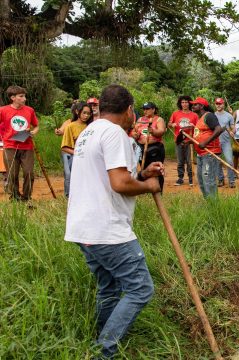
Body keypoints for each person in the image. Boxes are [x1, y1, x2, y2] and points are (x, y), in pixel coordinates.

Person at [65, 84, 163, 359]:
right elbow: (120, 184)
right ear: (129, 110)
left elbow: (112, 176)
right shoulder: (115, 134)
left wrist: (142, 174)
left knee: (108, 285)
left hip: (83, 228)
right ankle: (104, 351)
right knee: (140, 289)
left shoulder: (90, 132)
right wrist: (150, 187)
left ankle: (101, 336)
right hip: (106, 229)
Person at [0, 85, 39, 202]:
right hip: (10, 146)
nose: (24, 99)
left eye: (24, 96)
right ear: (13, 97)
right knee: (12, 174)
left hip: (27, 146)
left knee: (29, 173)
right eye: (21, 96)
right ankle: (15, 197)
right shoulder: (3, 110)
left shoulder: (30, 110)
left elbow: (36, 126)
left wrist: (32, 132)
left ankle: (27, 198)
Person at [190, 97, 223, 198]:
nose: (193, 106)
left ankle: (213, 204)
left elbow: (218, 129)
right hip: (201, 154)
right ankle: (207, 202)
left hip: (210, 153)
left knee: (208, 179)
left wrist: (205, 142)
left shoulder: (209, 116)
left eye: (195, 104)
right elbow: (201, 134)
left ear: (202, 106)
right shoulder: (200, 118)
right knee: (201, 180)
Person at [131, 102, 166, 190]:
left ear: (153, 109)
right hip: (141, 147)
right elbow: (134, 132)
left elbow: (161, 131)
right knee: (144, 169)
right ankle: (146, 189)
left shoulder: (158, 119)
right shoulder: (140, 120)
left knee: (156, 170)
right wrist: (135, 134)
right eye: (144, 109)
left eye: (147, 109)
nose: (145, 111)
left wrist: (153, 131)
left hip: (155, 148)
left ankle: (158, 190)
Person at [60, 103, 93, 197]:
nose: (86, 115)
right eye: (84, 113)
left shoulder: (90, 127)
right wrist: (78, 153)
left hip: (86, 157)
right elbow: (65, 147)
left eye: (88, 113)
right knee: (69, 175)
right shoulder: (70, 126)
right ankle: (68, 196)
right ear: (77, 112)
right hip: (71, 155)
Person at [168, 95, 198, 186]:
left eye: (186, 102)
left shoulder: (194, 115)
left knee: (189, 160)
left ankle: (190, 178)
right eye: (182, 102)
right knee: (180, 160)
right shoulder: (175, 113)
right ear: (180, 104)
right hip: (178, 140)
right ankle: (180, 178)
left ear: (189, 103)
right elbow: (169, 124)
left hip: (189, 141)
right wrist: (172, 124)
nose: (184, 104)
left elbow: (198, 128)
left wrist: (194, 127)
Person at [58, 102, 81, 197]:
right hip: (67, 151)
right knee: (68, 174)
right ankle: (68, 195)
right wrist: (58, 131)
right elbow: (61, 130)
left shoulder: (86, 124)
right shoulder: (68, 122)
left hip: (79, 152)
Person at [211, 98, 235, 188]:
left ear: (223, 104)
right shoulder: (212, 115)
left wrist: (233, 131)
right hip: (215, 142)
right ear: (215, 104)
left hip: (226, 142)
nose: (218, 105)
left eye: (220, 103)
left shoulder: (229, 116)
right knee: (217, 162)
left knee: (229, 160)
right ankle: (220, 180)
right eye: (217, 103)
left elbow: (233, 127)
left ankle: (231, 180)